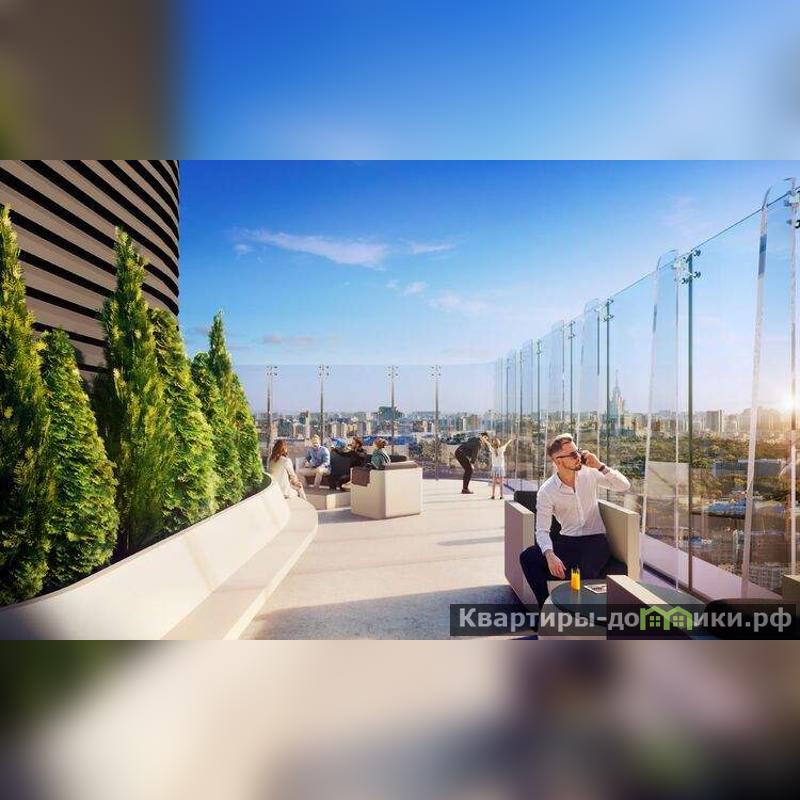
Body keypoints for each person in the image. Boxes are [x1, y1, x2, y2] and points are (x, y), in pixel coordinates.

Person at [519, 433, 631, 609]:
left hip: (595, 541)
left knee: (583, 573)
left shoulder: (590, 473)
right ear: (558, 461)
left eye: (578, 451)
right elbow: (542, 530)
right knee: (528, 557)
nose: (578, 456)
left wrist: (600, 466)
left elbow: (624, 486)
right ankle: (547, 609)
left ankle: (579, 614)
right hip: (568, 543)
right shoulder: (547, 491)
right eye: (572, 454)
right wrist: (550, 555)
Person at [489, 435, 514, 500]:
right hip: (500, 468)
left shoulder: (492, 449)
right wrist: (510, 440)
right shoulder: (502, 449)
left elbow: (487, 443)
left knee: (494, 482)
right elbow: (506, 444)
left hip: (494, 467)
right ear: (499, 443)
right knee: (501, 483)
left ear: (493, 444)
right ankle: (501, 496)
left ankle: (493, 495)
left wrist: (483, 439)